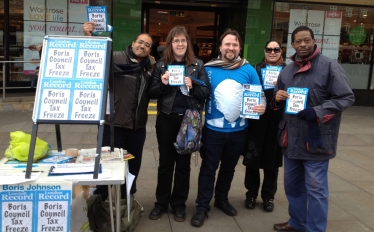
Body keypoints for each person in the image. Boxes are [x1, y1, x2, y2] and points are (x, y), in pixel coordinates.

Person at [273, 26, 354, 232]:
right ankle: (296, 223)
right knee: (292, 186)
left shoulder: (329, 66)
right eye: (298, 41)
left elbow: (346, 97)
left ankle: (315, 229)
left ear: (313, 41)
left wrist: (317, 111)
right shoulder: (287, 71)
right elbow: (277, 97)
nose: (302, 44)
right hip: (291, 139)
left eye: (306, 40)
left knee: (316, 190)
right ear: (292, 44)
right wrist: (277, 98)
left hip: (315, 140)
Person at [190, 29, 266, 227]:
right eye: (227, 44)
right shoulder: (208, 69)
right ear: (220, 47)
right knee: (208, 169)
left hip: (239, 131)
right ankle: (202, 206)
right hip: (213, 132)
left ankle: (221, 199)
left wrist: (262, 105)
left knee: (229, 169)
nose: (231, 48)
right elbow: (199, 92)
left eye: (234, 45)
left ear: (239, 47)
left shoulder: (248, 70)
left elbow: (260, 95)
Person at [82, 21, 154, 199]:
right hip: (112, 125)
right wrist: (88, 37)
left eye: (147, 45)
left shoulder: (150, 66)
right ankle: (101, 199)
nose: (142, 46)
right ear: (133, 43)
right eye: (140, 42)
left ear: (150, 50)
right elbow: (93, 57)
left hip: (137, 128)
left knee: (132, 166)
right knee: (106, 166)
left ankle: (126, 199)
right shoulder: (115, 57)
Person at [148, 26, 210, 222]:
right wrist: (163, 84)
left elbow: (206, 93)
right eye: (176, 41)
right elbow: (152, 93)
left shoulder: (198, 66)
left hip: (189, 119)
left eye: (183, 41)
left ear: (188, 44)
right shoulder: (161, 66)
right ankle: (161, 203)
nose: (180, 44)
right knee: (165, 163)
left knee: (183, 165)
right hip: (166, 118)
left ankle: (179, 204)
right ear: (170, 44)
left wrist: (193, 87)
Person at [242, 40, 286, 212]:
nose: (272, 52)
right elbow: (248, 91)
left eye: (276, 49)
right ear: (264, 50)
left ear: (281, 51)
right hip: (257, 122)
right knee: (252, 160)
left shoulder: (287, 71)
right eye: (269, 49)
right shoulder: (255, 69)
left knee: (272, 162)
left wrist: (284, 93)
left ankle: (268, 196)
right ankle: (251, 194)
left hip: (277, 122)